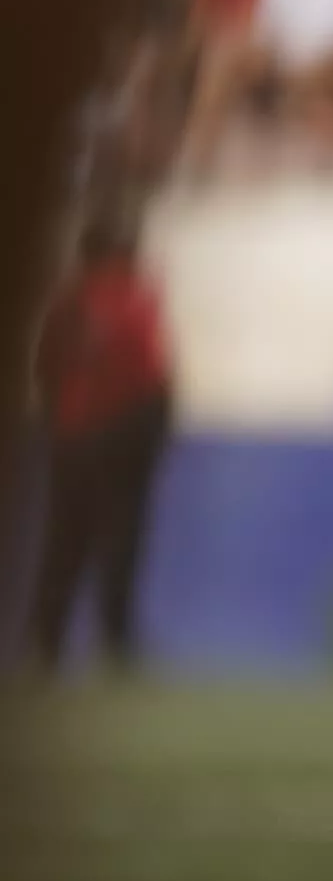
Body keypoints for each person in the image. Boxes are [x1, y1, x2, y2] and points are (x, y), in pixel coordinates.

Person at [26, 206, 169, 677]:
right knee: (119, 542)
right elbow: (153, 375)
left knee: (63, 541)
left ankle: (47, 642)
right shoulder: (134, 297)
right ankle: (114, 644)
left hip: (72, 433)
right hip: (122, 434)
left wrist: (56, 423)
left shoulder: (68, 299)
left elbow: (44, 368)